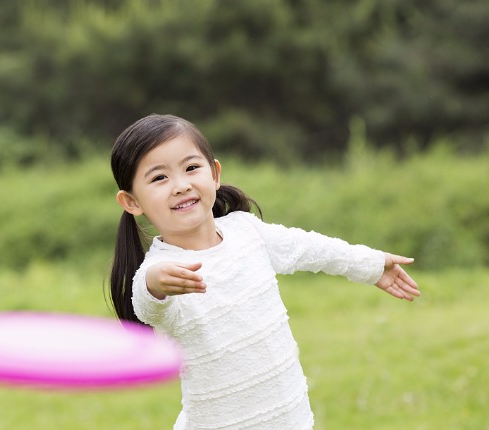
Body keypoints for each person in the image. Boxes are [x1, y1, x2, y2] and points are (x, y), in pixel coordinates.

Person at [109, 114, 420, 430]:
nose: (182, 185)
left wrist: (370, 265)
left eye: (191, 168)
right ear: (132, 201)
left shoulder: (246, 232)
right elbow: (146, 304)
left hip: (289, 415)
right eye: (159, 178)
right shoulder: (162, 270)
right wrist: (156, 283)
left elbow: (308, 247)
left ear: (214, 174)